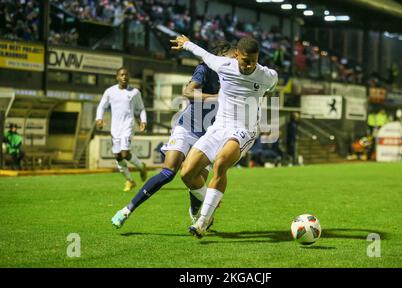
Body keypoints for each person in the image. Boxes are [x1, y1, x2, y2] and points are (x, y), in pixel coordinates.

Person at [111, 41, 235, 228]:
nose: (235, 61)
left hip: (210, 133)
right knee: (169, 172)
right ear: (222, 54)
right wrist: (216, 98)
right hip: (187, 127)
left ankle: (195, 211)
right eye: (233, 56)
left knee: (195, 175)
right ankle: (126, 210)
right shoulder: (205, 68)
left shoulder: (234, 76)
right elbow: (188, 92)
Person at [172, 35, 278, 239]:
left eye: (254, 61)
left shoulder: (267, 75)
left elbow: (273, 84)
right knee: (186, 173)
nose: (249, 66)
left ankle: (202, 221)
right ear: (236, 55)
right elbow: (203, 54)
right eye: (246, 60)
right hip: (218, 127)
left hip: (243, 131)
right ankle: (210, 204)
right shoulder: (223, 65)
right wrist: (186, 43)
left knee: (220, 163)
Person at [96, 67, 148, 192]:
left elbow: (141, 108)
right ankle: (130, 180)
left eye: (126, 75)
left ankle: (141, 167)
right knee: (118, 156)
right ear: (117, 77)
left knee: (125, 153)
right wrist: (99, 119)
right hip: (115, 129)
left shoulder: (134, 92)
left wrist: (143, 120)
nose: (124, 77)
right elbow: (102, 106)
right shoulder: (110, 92)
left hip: (128, 126)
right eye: (122, 75)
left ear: (128, 77)